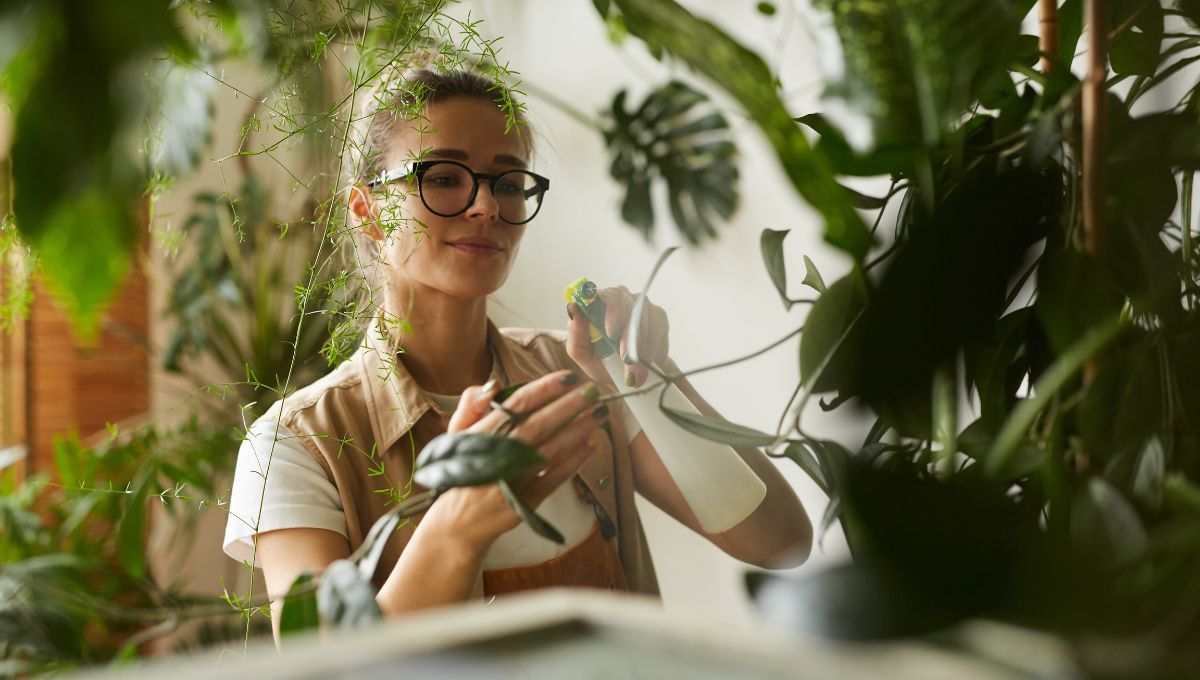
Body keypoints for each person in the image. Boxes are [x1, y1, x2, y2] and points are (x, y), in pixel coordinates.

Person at [222, 65, 812, 637]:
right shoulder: (298, 444)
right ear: (367, 209)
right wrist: (459, 524)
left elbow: (778, 541)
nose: (486, 206)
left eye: (507, 182)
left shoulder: (577, 375)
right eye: (444, 176)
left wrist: (648, 376)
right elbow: (320, 670)